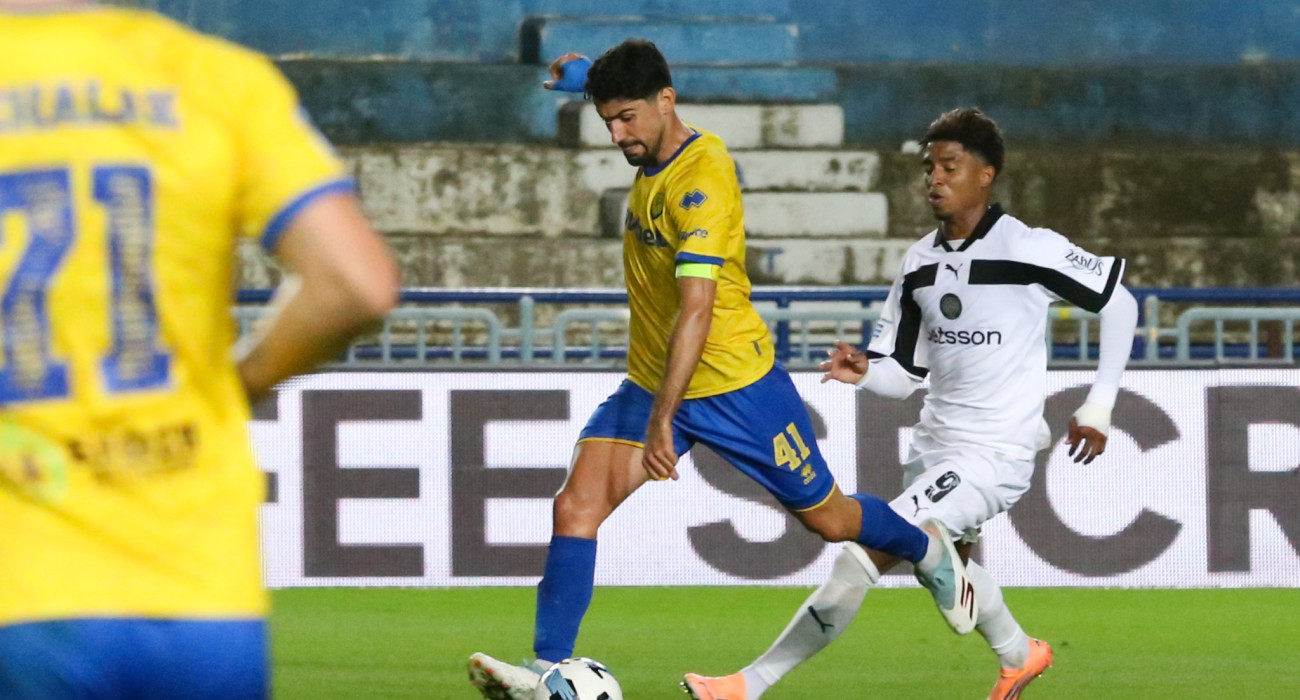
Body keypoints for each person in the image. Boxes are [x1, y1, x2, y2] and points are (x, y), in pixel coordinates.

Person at [467, 40, 976, 700]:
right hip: (655, 379)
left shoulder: (702, 180)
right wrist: (583, 79)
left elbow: (697, 310)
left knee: (830, 519)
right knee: (575, 506)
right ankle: (549, 672)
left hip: (737, 386)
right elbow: (622, 88)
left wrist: (661, 421)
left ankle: (927, 549)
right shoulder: (643, 122)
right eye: (607, 119)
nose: (617, 135)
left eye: (627, 119)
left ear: (666, 102)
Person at [0, 2, 399, 698]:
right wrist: (239, 384)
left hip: (26, 591)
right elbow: (354, 284)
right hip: (204, 597)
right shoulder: (213, 77)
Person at [682, 108, 1139, 700]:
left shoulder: (1029, 247)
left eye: (950, 166)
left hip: (995, 454)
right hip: (934, 449)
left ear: (986, 174)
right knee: (950, 570)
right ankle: (1020, 654)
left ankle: (748, 684)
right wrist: (864, 371)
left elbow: (1120, 303)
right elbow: (903, 376)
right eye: (929, 168)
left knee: (860, 558)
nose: (935, 178)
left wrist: (1099, 407)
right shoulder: (920, 262)